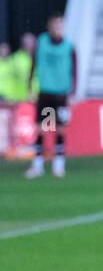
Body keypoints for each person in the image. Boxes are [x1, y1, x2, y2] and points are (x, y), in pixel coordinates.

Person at [25, 15, 77, 179]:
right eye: (56, 26)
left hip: (61, 95)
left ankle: (58, 165)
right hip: (46, 92)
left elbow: (74, 71)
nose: (58, 29)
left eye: (61, 26)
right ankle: (38, 166)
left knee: (60, 129)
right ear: (50, 28)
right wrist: (29, 86)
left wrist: (72, 93)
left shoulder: (69, 46)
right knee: (42, 129)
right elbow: (34, 64)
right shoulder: (42, 43)